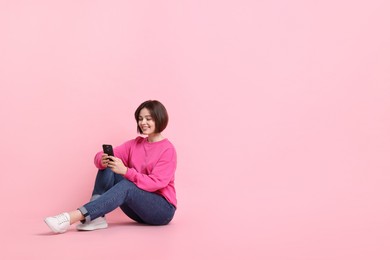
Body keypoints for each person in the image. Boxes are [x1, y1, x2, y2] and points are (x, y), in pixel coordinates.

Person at [44, 100, 177, 233]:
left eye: (148, 119)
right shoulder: (135, 144)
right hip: (138, 211)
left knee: (127, 185)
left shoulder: (167, 150)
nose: (143, 122)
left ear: (159, 119)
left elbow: (156, 183)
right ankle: (97, 217)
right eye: (140, 119)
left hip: (162, 211)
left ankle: (71, 217)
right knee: (110, 163)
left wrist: (125, 171)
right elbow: (100, 157)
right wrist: (102, 159)